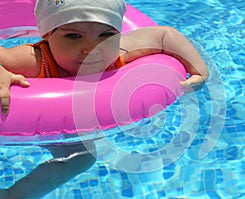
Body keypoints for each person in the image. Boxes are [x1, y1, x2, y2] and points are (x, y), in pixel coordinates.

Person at [0, 0, 209, 198]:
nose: (92, 49)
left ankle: (14, 196)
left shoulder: (120, 53)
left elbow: (165, 36)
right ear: (46, 34)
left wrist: (199, 71)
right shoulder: (35, 61)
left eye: (106, 35)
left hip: (66, 126)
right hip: (21, 124)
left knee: (82, 158)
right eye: (73, 36)